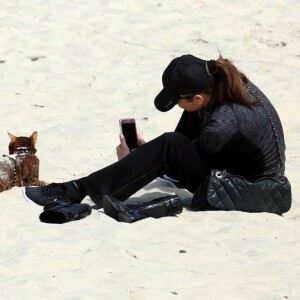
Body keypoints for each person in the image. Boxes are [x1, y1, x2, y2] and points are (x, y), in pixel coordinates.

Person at [22, 54, 286, 213]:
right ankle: (142, 160)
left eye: (180, 100)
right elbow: (186, 154)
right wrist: (148, 156)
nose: (178, 106)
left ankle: (76, 190)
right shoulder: (221, 82)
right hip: (238, 163)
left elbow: (177, 157)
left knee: (170, 144)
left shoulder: (224, 122)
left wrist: (137, 161)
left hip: (247, 188)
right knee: (177, 135)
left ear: (197, 95)